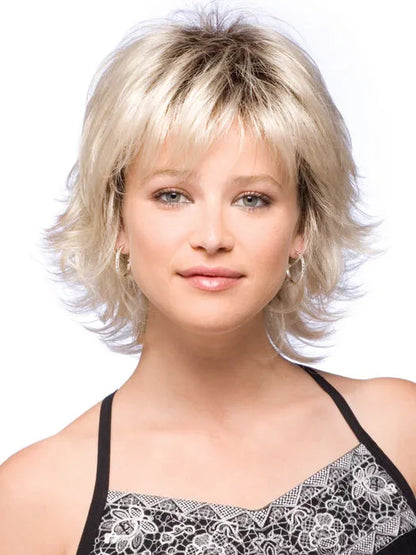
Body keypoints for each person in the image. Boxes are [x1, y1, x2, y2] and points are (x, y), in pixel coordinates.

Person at [1, 5, 415, 554]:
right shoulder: (38, 498)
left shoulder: (400, 430)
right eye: (172, 195)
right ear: (116, 219)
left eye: (253, 199)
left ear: (302, 227)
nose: (213, 236)